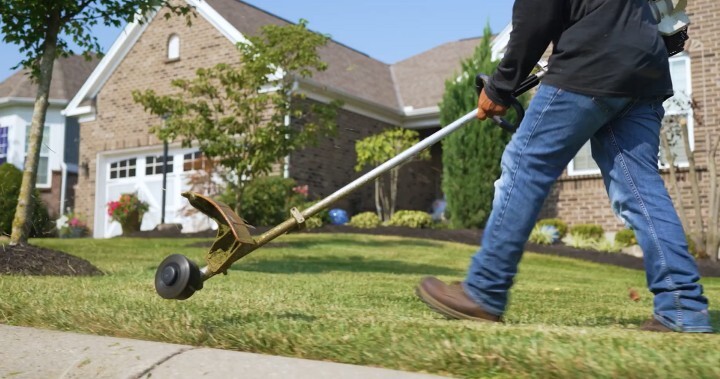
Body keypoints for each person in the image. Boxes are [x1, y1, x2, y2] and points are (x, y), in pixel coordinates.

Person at [416, 0, 713, 333]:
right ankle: (684, 308)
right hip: (645, 69)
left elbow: (536, 14)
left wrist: (500, 87)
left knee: (525, 165)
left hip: (592, 61)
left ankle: (484, 291)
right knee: (640, 189)